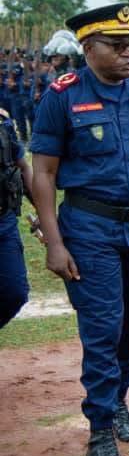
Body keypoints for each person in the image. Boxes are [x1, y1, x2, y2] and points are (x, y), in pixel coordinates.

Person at [29, 3, 129, 456]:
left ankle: (117, 400)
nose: (128, 53)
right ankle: (99, 434)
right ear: (87, 48)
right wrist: (54, 242)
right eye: (116, 46)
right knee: (102, 327)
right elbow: (44, 172)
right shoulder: (63, 97)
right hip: (90, 227)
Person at [0, 104, 33, 328]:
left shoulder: (2, 122)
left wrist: (43, 211)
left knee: (15, 292)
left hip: (3, 221)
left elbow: (23, 167)